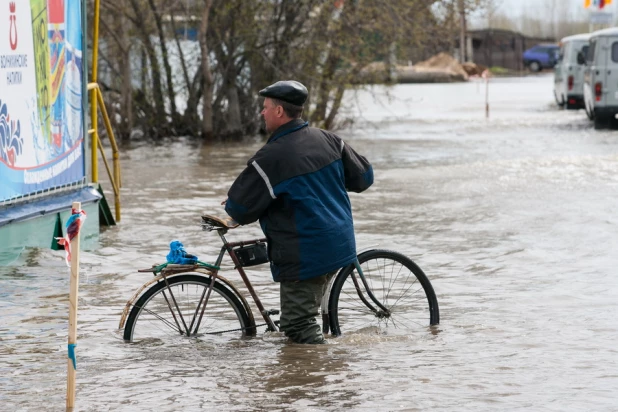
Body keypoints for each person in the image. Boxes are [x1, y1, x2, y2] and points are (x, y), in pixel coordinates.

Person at [224, 80, 373, 344]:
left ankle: (319, 375)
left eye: (266, 107)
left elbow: (240, 208)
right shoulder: (329, 139)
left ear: (279, 112)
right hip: (340, 243)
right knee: (304, 315)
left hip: (306, 253)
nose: (262, 113)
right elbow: (364, 178)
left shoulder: (271, 157)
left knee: (297, 324)